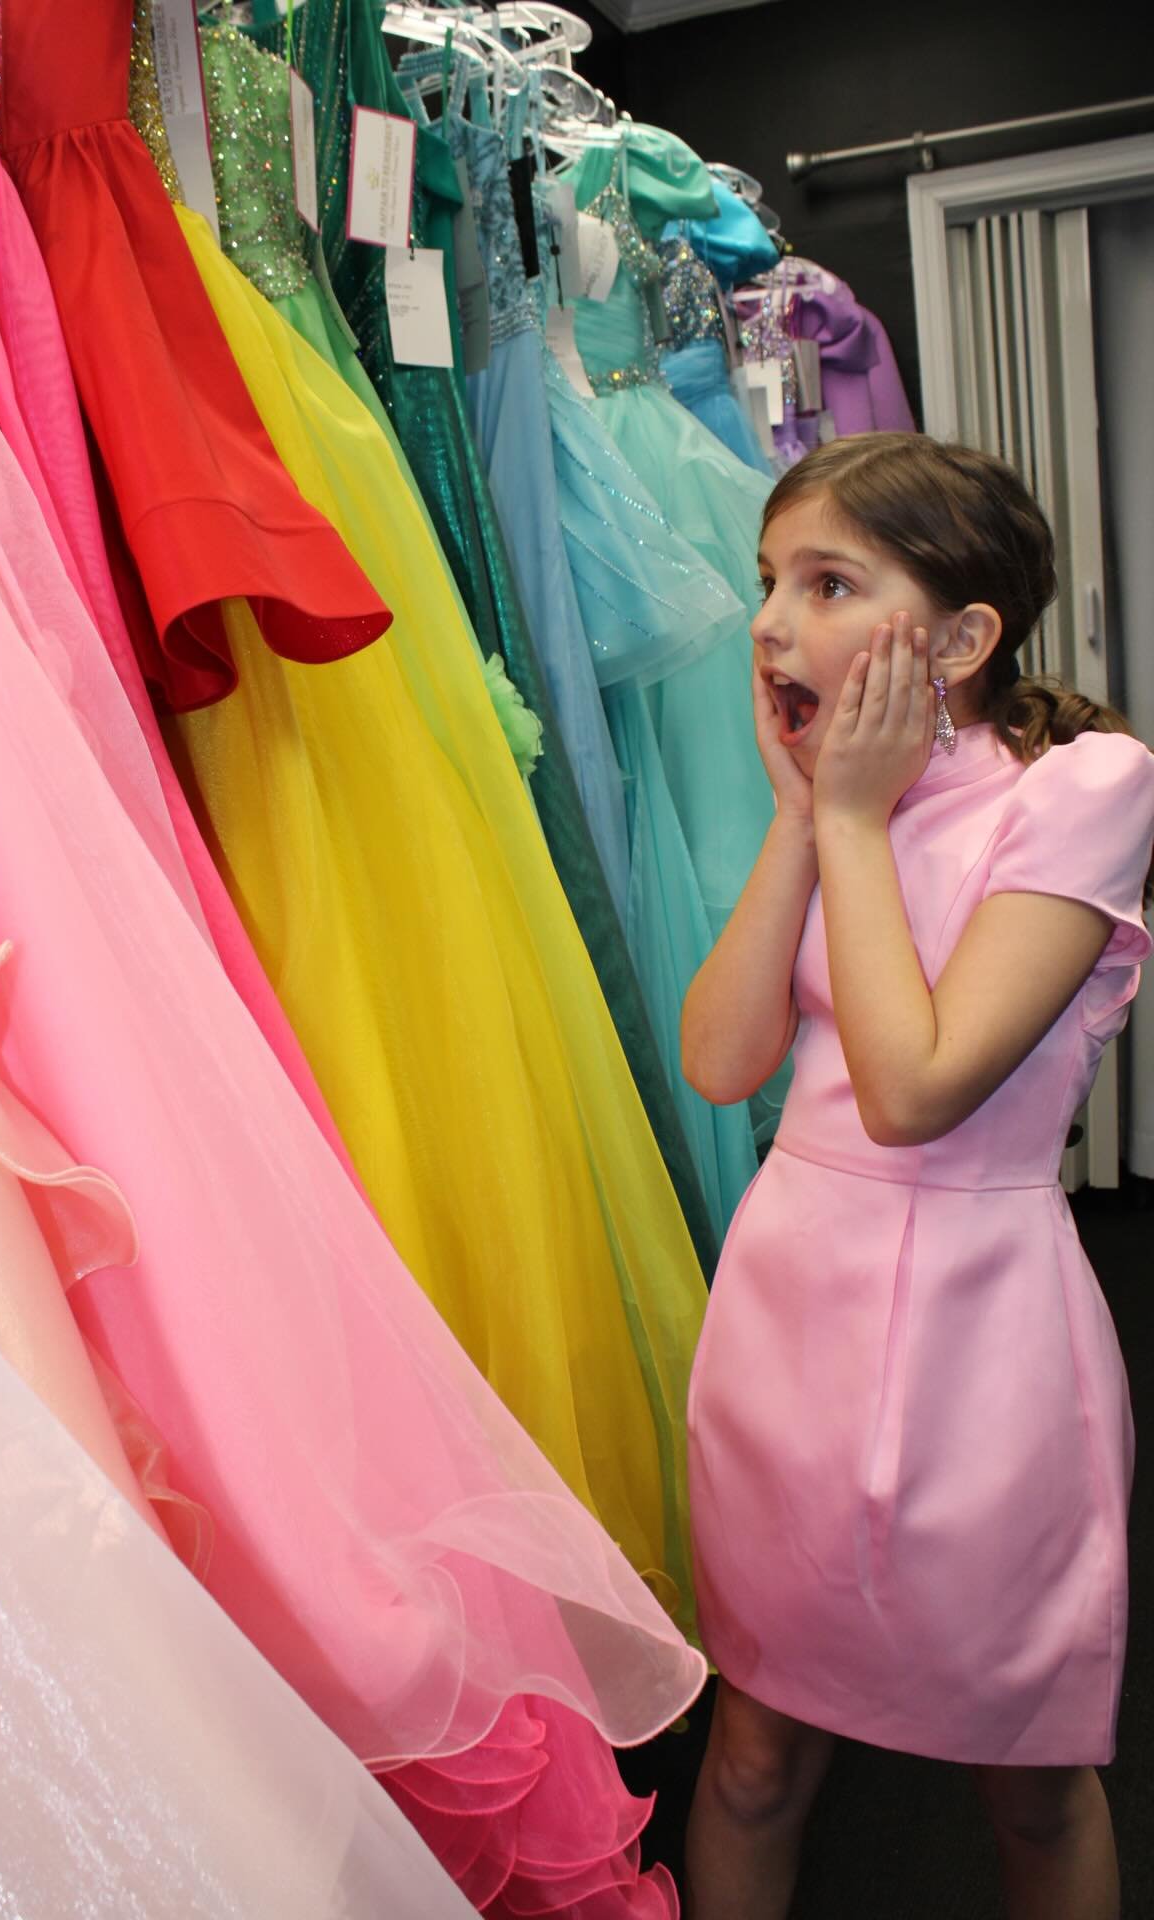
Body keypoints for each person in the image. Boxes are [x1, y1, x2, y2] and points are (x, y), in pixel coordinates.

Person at [678, 433, 1154, 1920]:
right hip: (785, 1322)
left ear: (961, 637)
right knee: (752, 1757)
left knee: (1026, 1780)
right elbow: (720, 1061)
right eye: (770, 580)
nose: (770, 623)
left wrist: (851, 820)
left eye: (826, 583)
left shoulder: (1087, 789)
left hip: (983, 1337)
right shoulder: (836, 802)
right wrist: (796, 818)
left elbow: (916, 1088)